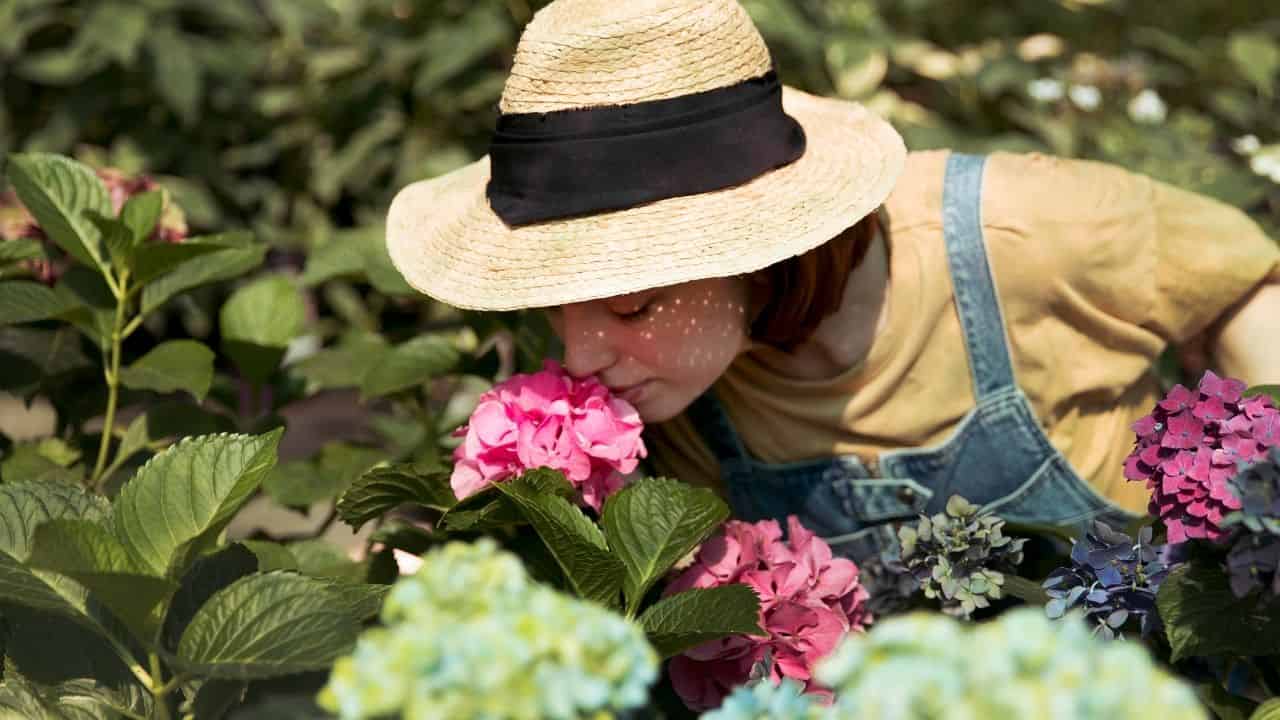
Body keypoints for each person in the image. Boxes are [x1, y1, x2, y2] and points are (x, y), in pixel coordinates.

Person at [385, 0, 1280, 564]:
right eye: (556, 307)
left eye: (630, 304)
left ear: (750, 251)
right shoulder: (675, 411)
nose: (582, 354)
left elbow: (1246, 285)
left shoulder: (1026, 230)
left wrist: (1251, 498)